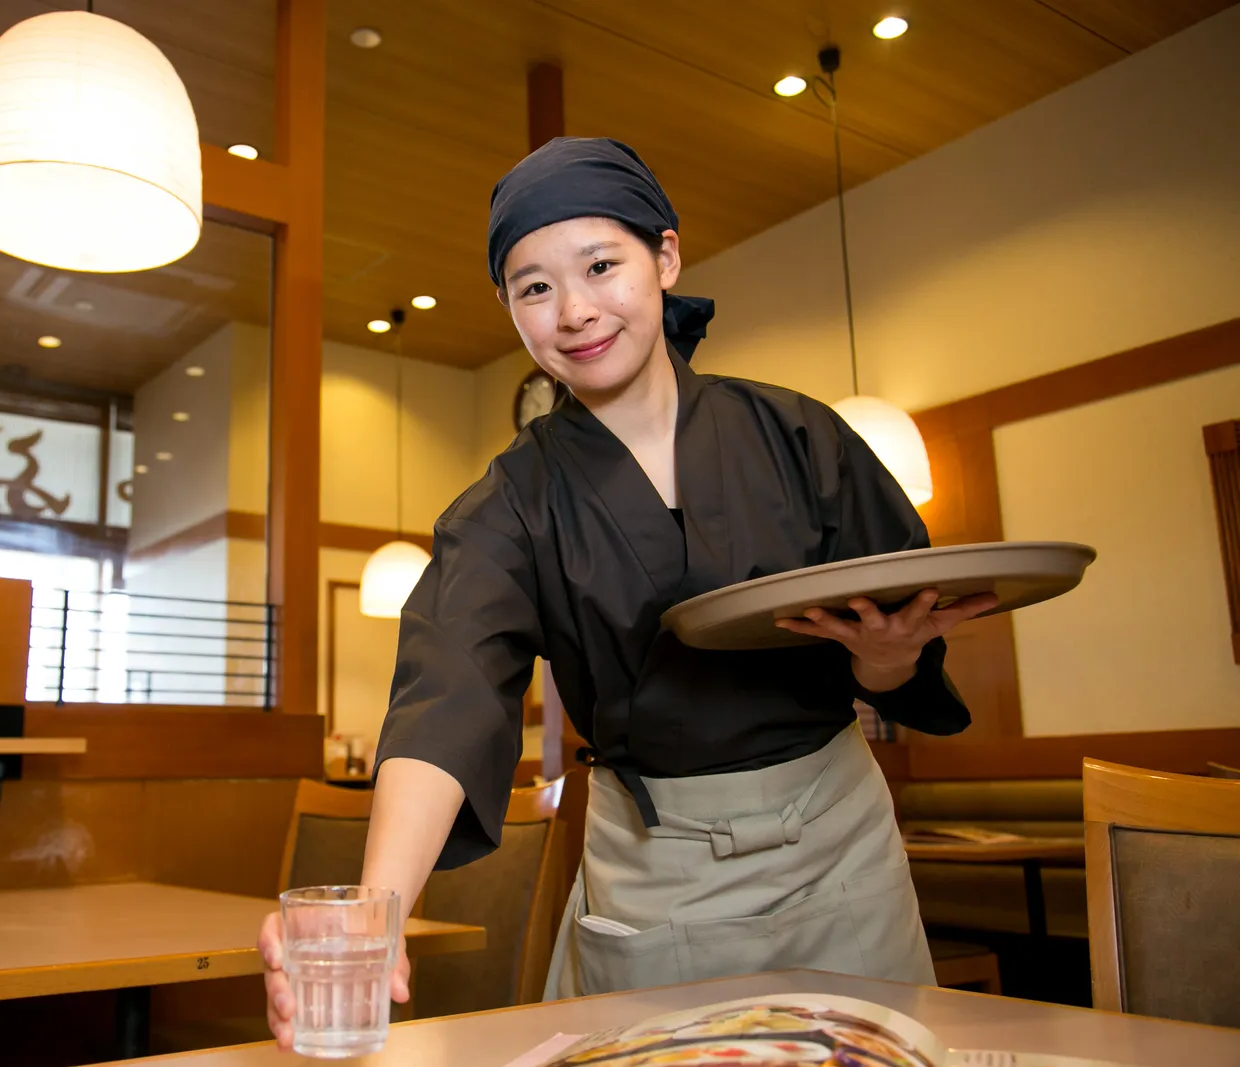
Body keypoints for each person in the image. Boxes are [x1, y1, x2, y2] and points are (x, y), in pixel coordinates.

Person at [258, 137, 993, 1047]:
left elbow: (897, 638)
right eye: (534, 287)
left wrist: (886, 662)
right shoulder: (509, 505)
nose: (574, 310)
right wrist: (373, 909)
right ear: (510, 310)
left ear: (666, 257)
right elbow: (446, 699)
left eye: (601, 265)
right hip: (657, 872)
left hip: (844, 851)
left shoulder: (799, 434)